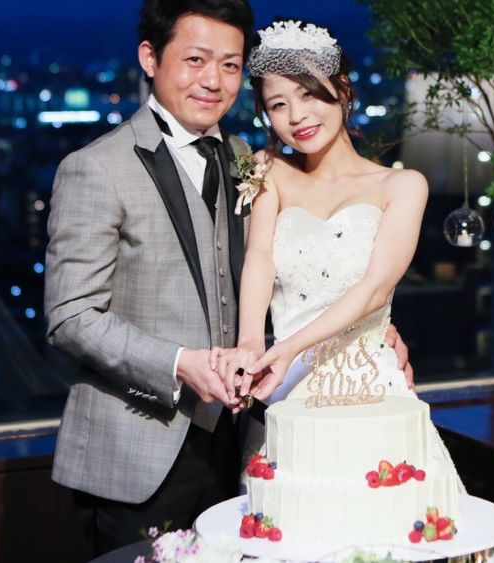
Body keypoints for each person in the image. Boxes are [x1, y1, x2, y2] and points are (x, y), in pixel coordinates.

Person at [44, 3, 414, 556]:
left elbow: (298, 268)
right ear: (150, 57)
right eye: (195, 60)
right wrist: (178, 364)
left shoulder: (250, 161)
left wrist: (371, 333)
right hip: (138, 451)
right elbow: (71, 317)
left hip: (242, 440)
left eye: (230, 65)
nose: (213, 81)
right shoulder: (96, 168)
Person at [213, 21, 462, 487]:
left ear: (342, 90)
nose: (297, 116)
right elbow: (259, 256)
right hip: (285, 388)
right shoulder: (269, 170)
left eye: (308, 94)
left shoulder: (401, 185)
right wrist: (250, 343)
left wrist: (286, 349)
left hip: (371, 385)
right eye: (278, 105)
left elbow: (375, 289)